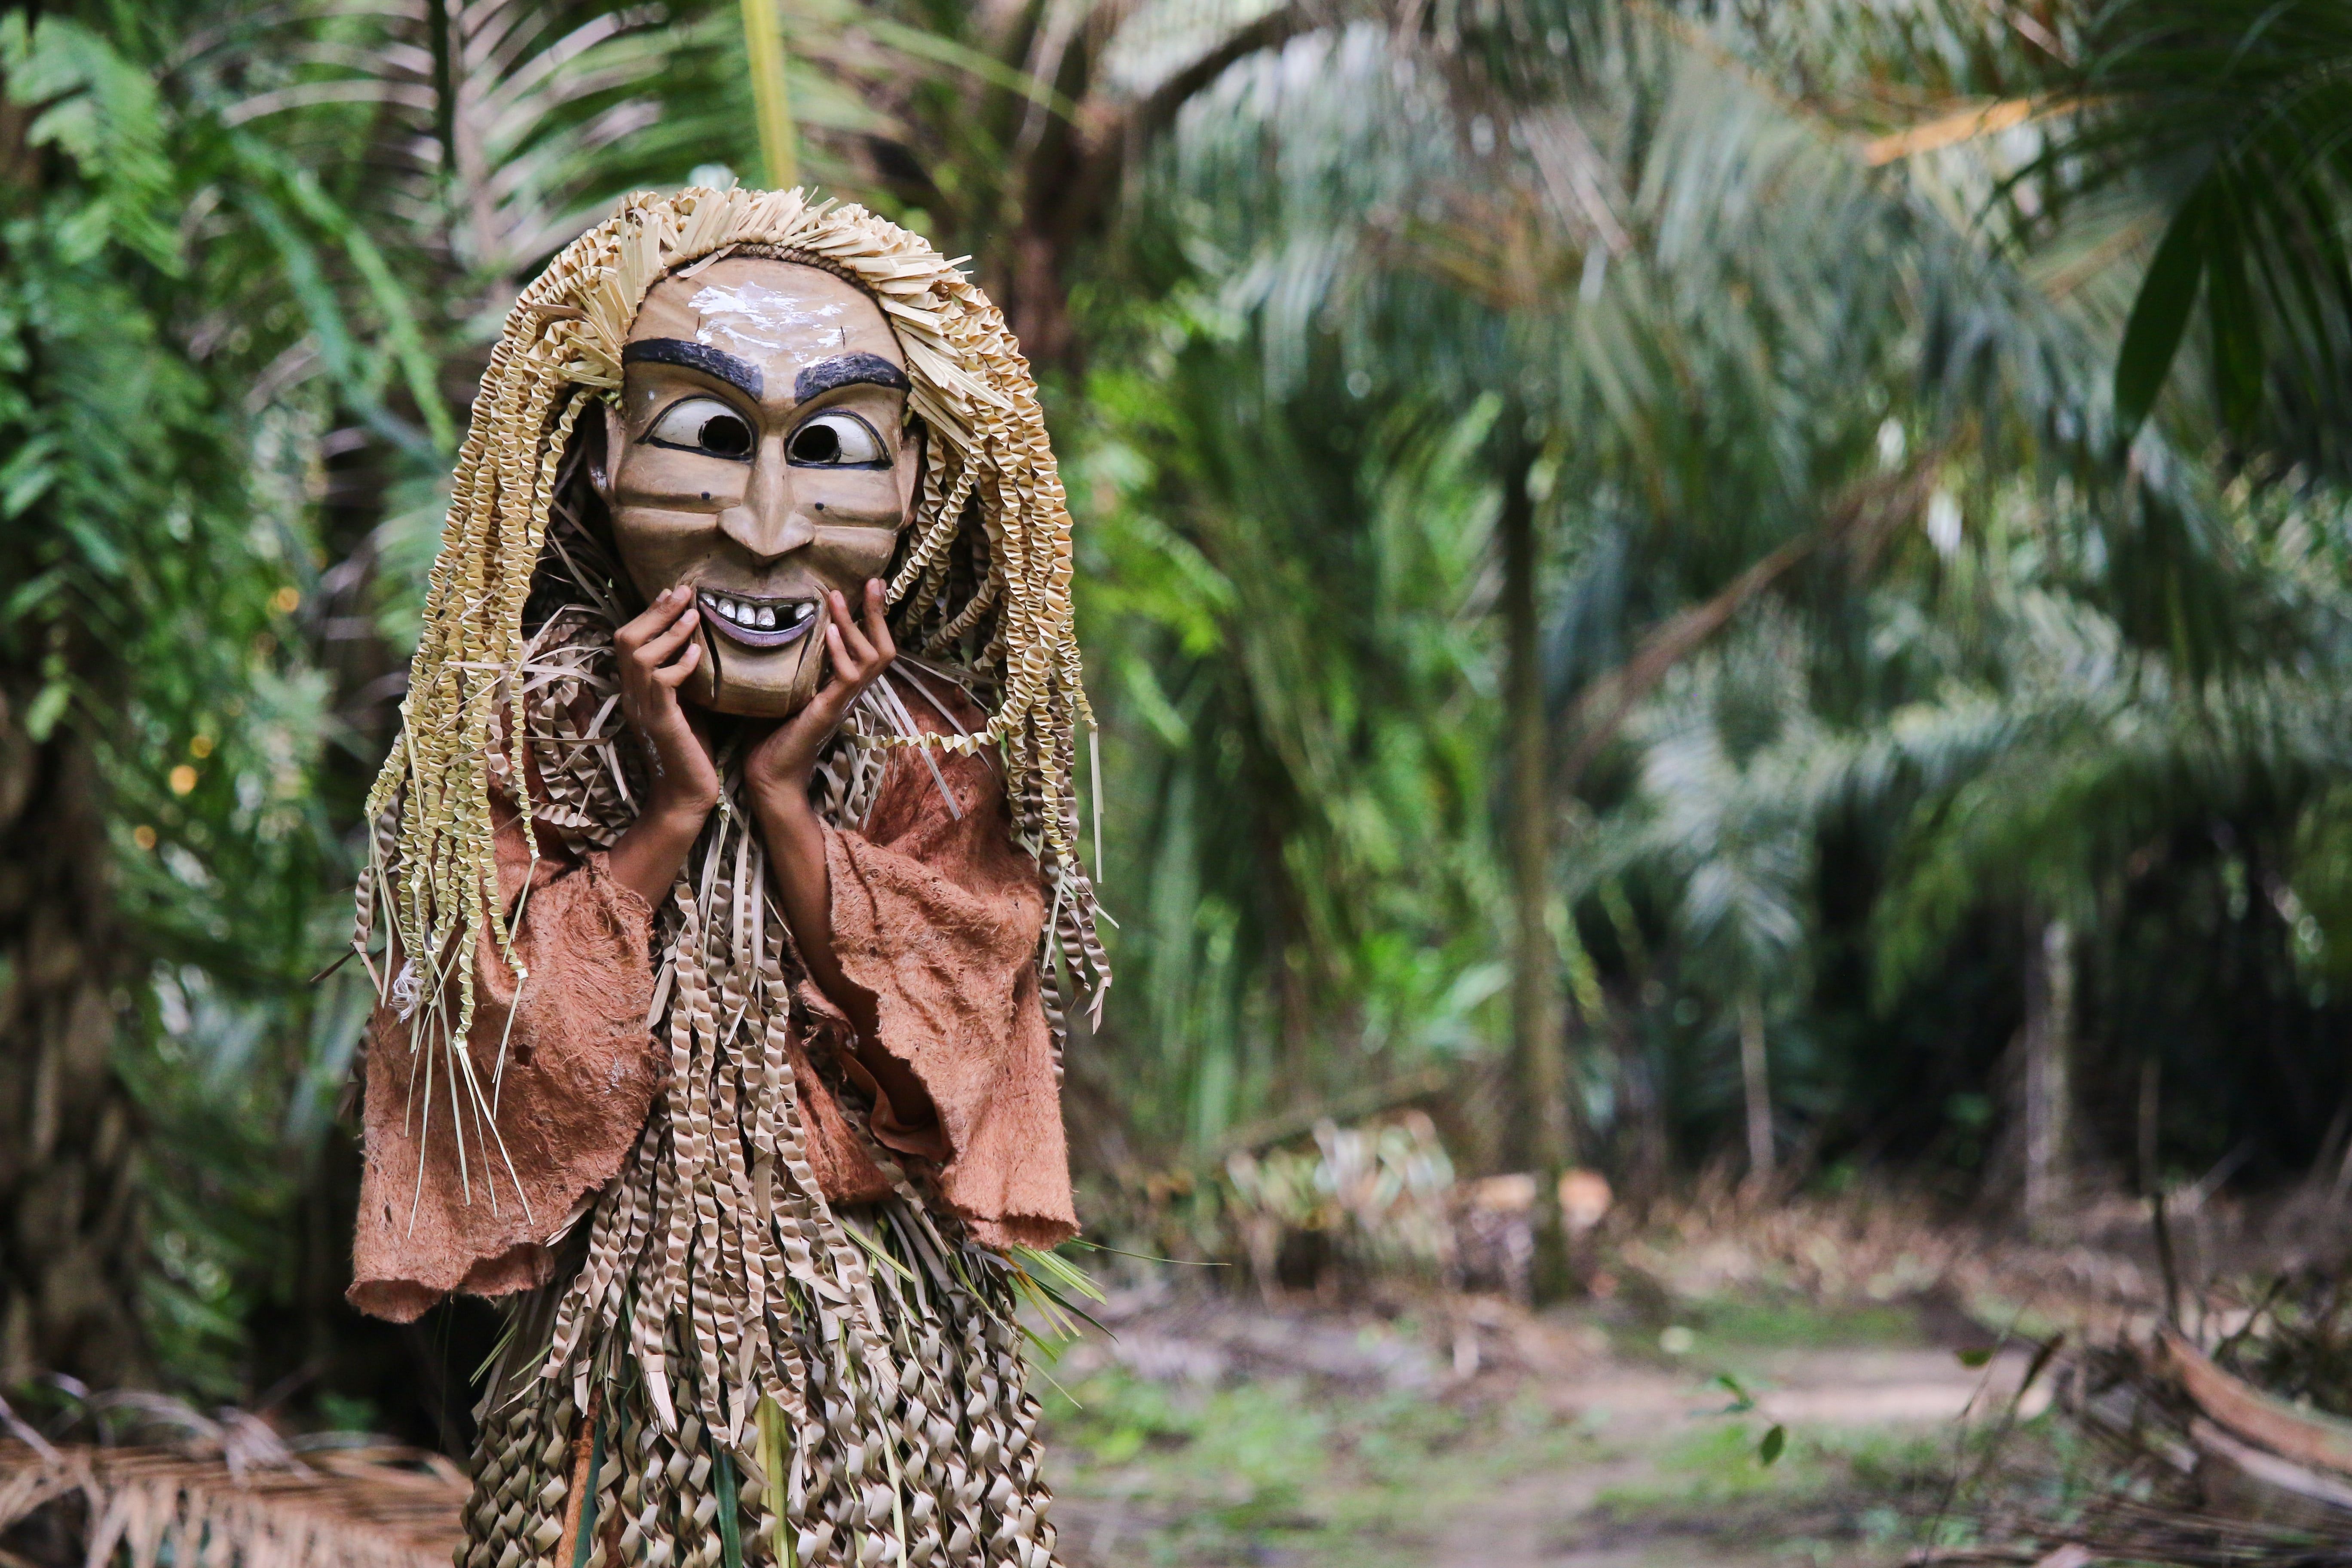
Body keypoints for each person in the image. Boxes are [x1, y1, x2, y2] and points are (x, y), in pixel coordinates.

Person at [345, 187, 1107, 1568]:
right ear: (598, 460)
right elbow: (480, 1056)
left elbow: (957, 1043)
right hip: (619, 1388)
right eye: (706, 440)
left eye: (827, 452)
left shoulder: (943, 756)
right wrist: (672, 813)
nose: (765, 525)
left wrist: (785, 811)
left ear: (916, 487)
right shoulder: (513, 743)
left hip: (881, 1397)